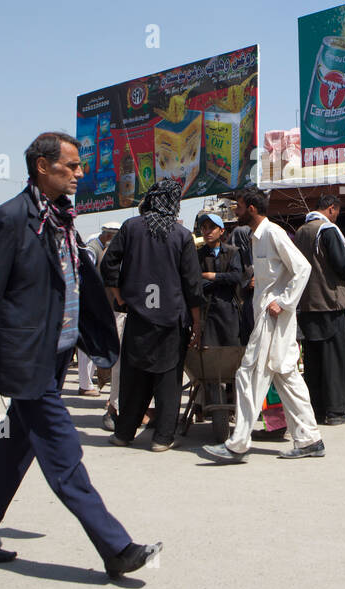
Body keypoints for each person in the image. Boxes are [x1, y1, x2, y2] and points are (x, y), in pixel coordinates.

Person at [0, 131, 159, 580]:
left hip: (57, 353)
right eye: (72, 165)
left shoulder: (61, 219)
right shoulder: (11, 218)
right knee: (64, 455)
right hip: (28, 360)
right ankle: (116, 547)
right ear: (43, 167)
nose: (80, 173)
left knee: (11, 449)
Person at [203, 186, 324, 462]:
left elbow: (302, 268)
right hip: (269, 318)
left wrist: (283, 300)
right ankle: (310, 439)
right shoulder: (257, 238)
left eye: (240, 206)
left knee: (248, 375)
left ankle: (238, 443)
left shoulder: (273, 234)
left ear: (252, 209)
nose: (236, 210)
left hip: (274, 319)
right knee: (286, 376)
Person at [99, 178, 203, 453]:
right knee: (169, 380)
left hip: (137, 317)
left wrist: (118, 295)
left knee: (134, 378)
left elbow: (108, 262)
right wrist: (197, 320)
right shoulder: (181, 236)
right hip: (172, 319)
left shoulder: (131, 227)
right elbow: (192, 283)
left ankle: (123, 433)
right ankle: (162, 438)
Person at [294, 193, 345, 424]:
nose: (337, 216)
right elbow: (341, 265)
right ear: (331, 209)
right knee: (335, 360)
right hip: (330, 303)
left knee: (313, 362)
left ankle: (317, 409)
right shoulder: (327, 231)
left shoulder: (301, 232)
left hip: (308, 305)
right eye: (337, 212)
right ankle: (335, 411)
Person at [81, 221, 122, 401]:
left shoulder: (105, 249)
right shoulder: (93, 249)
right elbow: (88, 275)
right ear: (108, 235)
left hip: (103, 304)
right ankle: (86, 384)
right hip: (94, 304)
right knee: (88, 346)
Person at [193, 212, 243, 347]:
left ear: (221, 231)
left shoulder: (232, 252)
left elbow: (236, 276)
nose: (207, 231)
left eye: (211, 227)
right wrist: (222, 280)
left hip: (229, 310)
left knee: (231, 351)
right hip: (208, 312)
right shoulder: (198, 255)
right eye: (204, 228)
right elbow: (196, 282)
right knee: (210, 353)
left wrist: (212, 276)